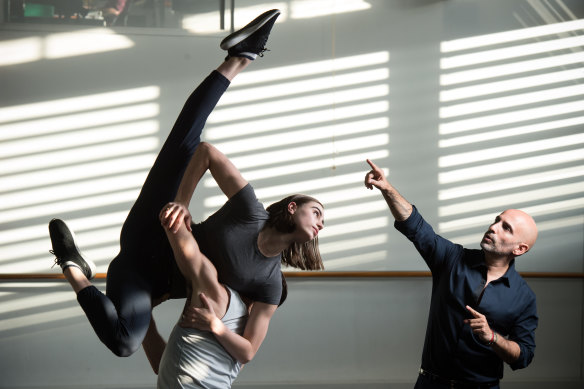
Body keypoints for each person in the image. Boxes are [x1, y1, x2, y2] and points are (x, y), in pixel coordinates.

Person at [48, 8, 325, 362]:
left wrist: (190, 334)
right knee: (187, 142)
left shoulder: (268, 282)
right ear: (292, 207)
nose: (320, 223)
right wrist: (181, 201)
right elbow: (207, 152)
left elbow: (247, 350)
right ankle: (240, 57)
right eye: (316, 212)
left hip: (147, 282)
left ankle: (73, 267)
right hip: (157, 226)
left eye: (322, 223)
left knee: (124, 343)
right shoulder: (250, 211)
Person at [363, 159, 538, 389]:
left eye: (506, 228)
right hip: (430, 383)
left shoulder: (524, 297)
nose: (493, 227)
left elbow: (523, 355)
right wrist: (387, 188)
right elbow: (416, 226)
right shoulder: (452, 259)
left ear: (520, 249)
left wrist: (492, 337)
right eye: (497, 220)